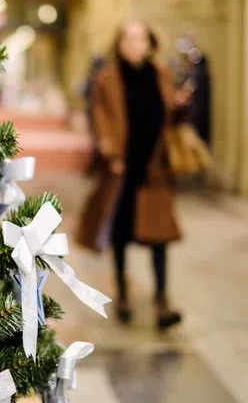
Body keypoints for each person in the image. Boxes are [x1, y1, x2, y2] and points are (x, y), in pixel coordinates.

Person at [77, 18, 192, 331]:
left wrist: (181, 105)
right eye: (128, 39)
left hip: (155, 166)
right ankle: (124, 293)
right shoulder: (107, 78)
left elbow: (171, 118)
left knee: (160, 236)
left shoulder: (162, 75)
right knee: (121, 234)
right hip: (123, 168)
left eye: (140, 39)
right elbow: (99, 118)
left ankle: (162, 300)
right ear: (119, 44)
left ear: (150, 43)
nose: (134, 45)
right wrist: (111, 153)